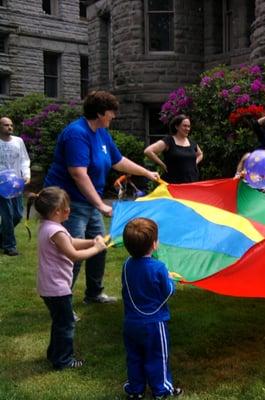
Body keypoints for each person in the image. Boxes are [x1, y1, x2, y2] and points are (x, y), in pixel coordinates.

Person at [44, 90, 160, 304]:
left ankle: (94, 293)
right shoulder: (76, 134)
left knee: (99, 245)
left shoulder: (101, 133)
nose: (114, 116)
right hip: (69, 203)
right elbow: (78, 174)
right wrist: (100, 205)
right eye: (111, 112)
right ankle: (63, 303)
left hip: (88, 201)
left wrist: (146, 172)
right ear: (99, 113)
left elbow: (118, 161)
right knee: (73, 251)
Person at [27, 187, 107, 369]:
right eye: (67, 207)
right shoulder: (57, 231)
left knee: (59, 321)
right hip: (57, 287)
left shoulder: (49, 226)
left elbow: (71, 242)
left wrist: (91, 241)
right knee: (66, 324)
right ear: (57, 212)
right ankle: (64, 360)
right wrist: (97, 249)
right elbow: (74, 254)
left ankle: (54, 354)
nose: (69, 210)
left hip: (48, 286)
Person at [121, 218, 183, 399]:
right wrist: (170, 279)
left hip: (131, 323)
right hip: (154, 324)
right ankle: (162, 390)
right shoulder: (159, 268)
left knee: (134, 357)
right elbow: (169, 292)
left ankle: (136, 389)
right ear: (154, 244)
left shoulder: (126, 265)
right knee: (157, 357)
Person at [0, 117, 31, 256]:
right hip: (2, 184)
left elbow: (24, 159)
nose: (10, 127)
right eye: (6, 125)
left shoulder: (18, 141)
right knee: (7, 214)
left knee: (18, 215)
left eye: (11, 125)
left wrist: (26, 174)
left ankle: (2, 236)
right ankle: (9, 246)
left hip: (16, 183)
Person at [144, 114, 203, 184]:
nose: (187, 129)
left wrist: (194, 163)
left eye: (189, 126)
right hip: (173, 183)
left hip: (192, 182)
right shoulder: (169, 141)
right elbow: (148, 151)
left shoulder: (192, 142)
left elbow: (200, 154)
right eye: (184, 126)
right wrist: (162, 164)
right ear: (176, 127)